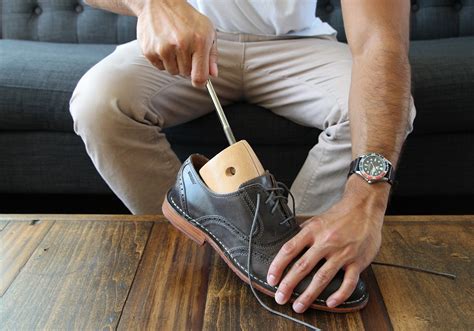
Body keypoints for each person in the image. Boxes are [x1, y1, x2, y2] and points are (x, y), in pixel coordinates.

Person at [70, 0, 416, 314]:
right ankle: (208, 245)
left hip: (297, 46)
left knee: (383, 114)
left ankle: (293, 254)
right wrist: (150, 4)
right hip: (189, 45)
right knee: (98, 103)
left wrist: (366, 201)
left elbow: (379, 39)